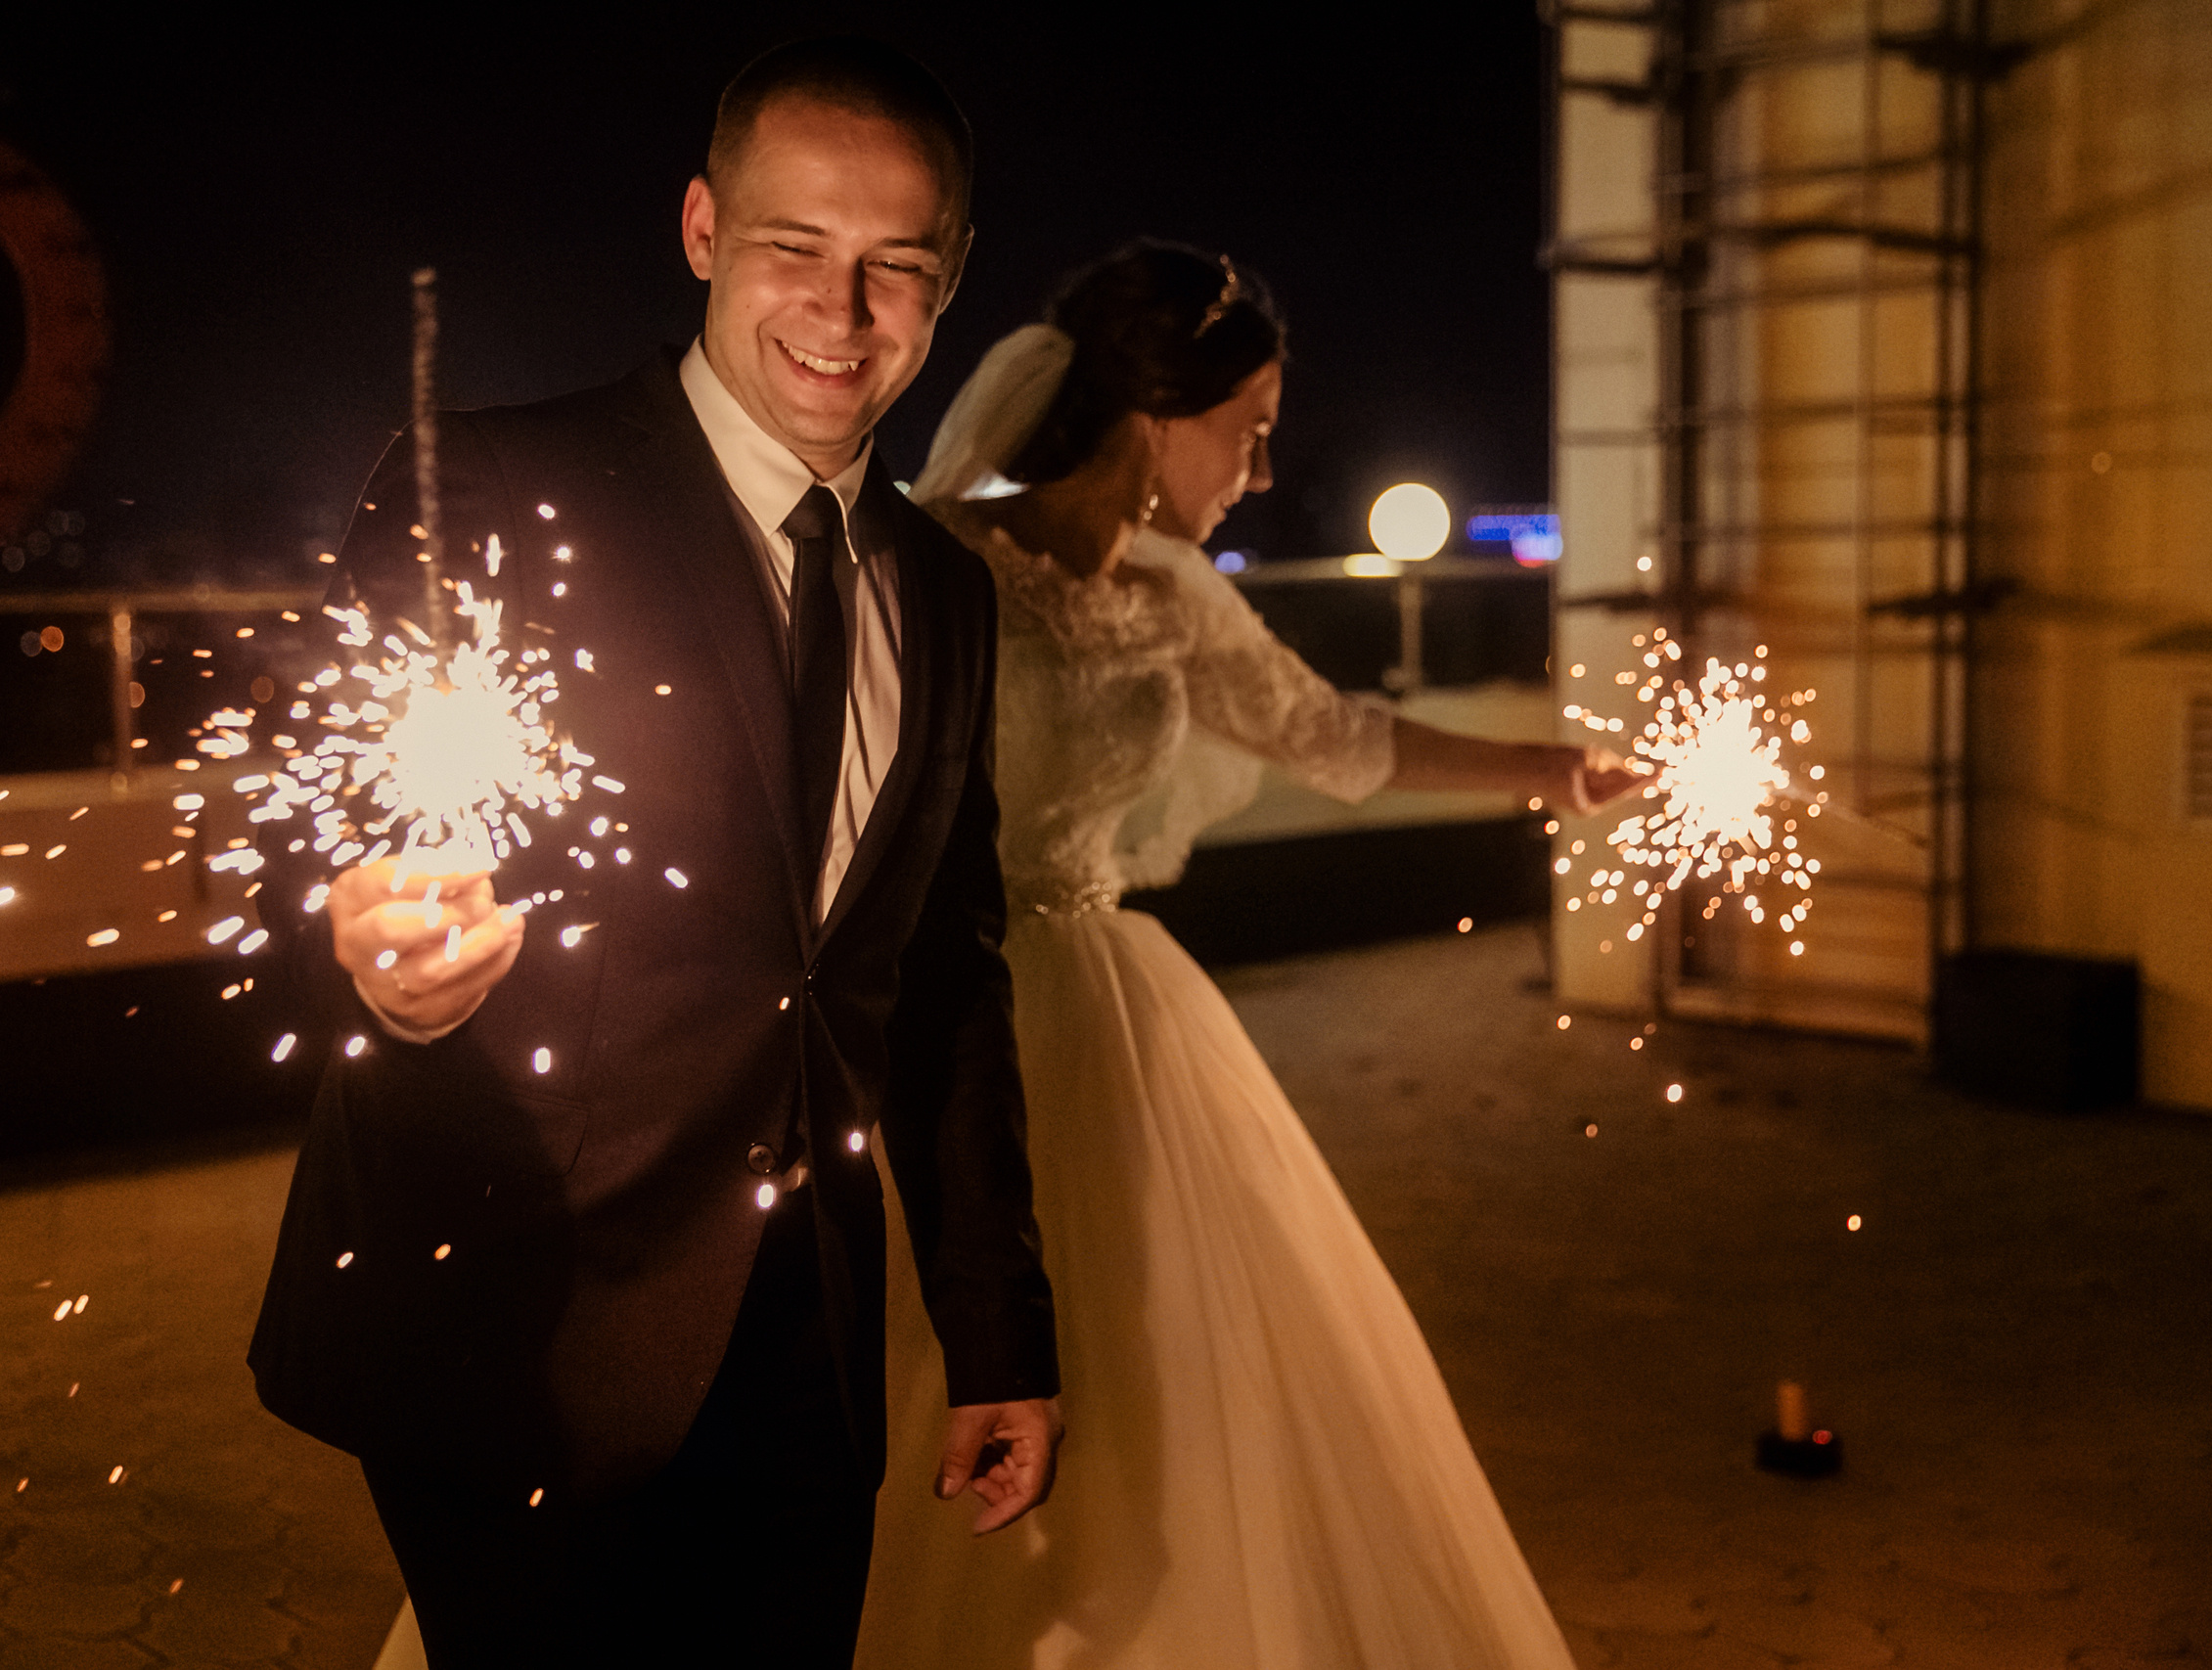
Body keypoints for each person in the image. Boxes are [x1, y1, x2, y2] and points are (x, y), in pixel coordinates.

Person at [248, 39, 1063, 1667]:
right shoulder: (489, 480)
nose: (841, 315)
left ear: (953, 276)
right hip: (522, 1323)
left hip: (809, 1339)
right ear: (701, 229)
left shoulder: (948, 590)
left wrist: (996, 1332)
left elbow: (940, 979)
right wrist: (376, 964)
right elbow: (309, 820)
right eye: (792, 249)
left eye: (895, 266)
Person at [851, 242, 1634, 1668]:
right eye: (1250, 433)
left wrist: (1551, 772)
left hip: (1115, 1006)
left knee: (1173, 1360)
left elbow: (1332, 734)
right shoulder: (942, 566)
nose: (1263, 474)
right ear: (1157, 417)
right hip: (942, 1009)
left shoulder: (1167, 593)